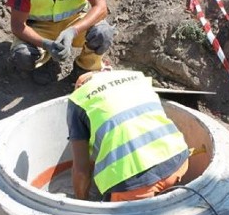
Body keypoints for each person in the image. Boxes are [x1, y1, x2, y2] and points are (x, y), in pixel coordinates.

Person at [67, 69, 191, 202]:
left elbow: (81, 172)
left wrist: (82, 203)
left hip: (134, 187)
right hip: (179, 163)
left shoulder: (78, 100)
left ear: (79, 88)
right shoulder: (136, 78)